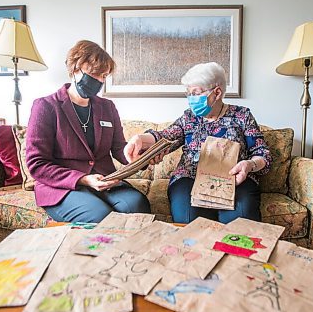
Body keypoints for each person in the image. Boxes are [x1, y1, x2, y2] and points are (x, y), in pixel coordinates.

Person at [124, 62, 272, 224]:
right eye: (188, 93)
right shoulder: (189, 118)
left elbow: (262, 153)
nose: (191, 99)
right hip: (189, 178)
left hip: (234, 180)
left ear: (217, 93)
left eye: (196, 93)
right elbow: (166, 137)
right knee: (190, 222)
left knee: (240, 223)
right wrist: (141, 139)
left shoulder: (242, 115)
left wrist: (249, 164)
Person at [26, 40, 150, 223]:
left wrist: (140, 157)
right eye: (94, 74)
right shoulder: (46, 106)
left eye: (104, 76)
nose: (99, 81)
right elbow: (37, 163)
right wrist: (83, 179)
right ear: (75, 68)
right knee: (98, 215)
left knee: (137, 205)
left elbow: (118, 148)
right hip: (64, 186)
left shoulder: (107, 107)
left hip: (104, 180)